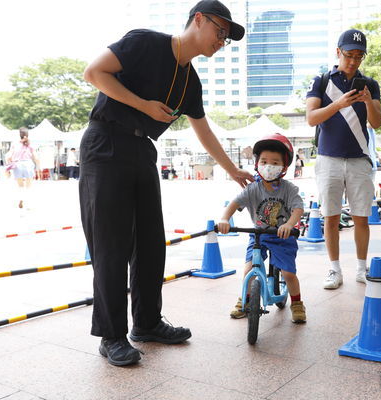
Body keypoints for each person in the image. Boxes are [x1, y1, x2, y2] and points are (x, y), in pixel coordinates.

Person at [80, 0, 251, 367]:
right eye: (220, 31)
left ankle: (147, 323)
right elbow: (94, 73)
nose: (222, 41)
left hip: (143, 150)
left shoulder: (191, 80)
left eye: (228, 38)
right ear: (199, 19)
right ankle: (111, 336)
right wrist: (143, 105)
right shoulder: (145, 42)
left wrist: (233, 170)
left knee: (150, 243)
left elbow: (204, 132)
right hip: (106, 143)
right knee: (111, 244)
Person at [305, 28, 381, 289]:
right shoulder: (322, 80)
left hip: (359, 158)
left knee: (362, 216)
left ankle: (362, 268)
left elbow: (377, 123)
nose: (353, 61)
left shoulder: (370, 84)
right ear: (338, 52)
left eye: (359, 56)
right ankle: (334, 269)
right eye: (349, 54)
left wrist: (369, 102)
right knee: (331, 216)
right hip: (328, 158)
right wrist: (338, 105)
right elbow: (311, 118)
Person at [219, 133, 306, 323]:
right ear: (257, 163)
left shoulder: (289, 189)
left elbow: (298, 208)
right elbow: (234, 203)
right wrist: (225, 219)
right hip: (259, 235)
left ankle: (297, 303)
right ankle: (245, 299)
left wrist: (290, 224)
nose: (269, 166)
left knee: (289, 273)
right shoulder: (252, 189)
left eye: (275, 162)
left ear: (284, 166)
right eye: (264, 161)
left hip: (283, 236)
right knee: (248, 269)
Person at [6, 128, 40, 208]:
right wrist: (38, 167)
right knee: (28, 186)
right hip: (28, 164)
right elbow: (36, 158)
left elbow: (9, 156)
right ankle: (28, 204)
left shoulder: (15, 144)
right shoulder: (30, 144)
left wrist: (9, 167)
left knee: (20, 186)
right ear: (27, 135)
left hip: (17, 165)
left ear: (19, 135)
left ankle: (21, 199)